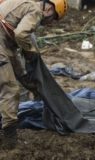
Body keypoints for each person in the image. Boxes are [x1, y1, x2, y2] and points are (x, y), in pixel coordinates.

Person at [0, 0, 68, 149]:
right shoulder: (36, 10)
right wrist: (31, 53)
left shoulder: (26, 4)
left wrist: (28, 81)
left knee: (15, 76)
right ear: (50, 9)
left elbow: (12, 53)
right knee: (10, 89)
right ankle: (9, 137)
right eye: (53, 18)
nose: (50, 23)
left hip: (3, 43)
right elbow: (20, 34)